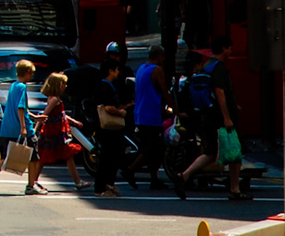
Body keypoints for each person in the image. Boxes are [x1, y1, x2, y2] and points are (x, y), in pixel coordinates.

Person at [178, 36, 246, 201]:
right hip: (220, 118)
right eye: (229, 48)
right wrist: (227, 117)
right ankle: (234, 189)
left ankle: (185, 175)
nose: (230, 51)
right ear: (223, 48)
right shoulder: (219, 67)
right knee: (235, 151)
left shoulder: (207, 65)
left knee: (210, 152)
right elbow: (219, 92)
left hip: (207, 115)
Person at [0, 59, 37, 194]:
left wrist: (34, 117)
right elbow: (21, 107)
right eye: (32, 74)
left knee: (7, 156)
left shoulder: (13, 85)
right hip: (21, 128)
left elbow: (20, 107)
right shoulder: (22, 87)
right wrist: (23, 127)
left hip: (8, 127)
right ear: (27, 72)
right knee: (34, 158)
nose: (32, 76)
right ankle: (31, 185)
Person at [29, 71, 83, 194]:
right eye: (64, 83)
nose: (66, 86)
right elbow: (45, 115)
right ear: (57, 85)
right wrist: (36, 129)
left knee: (66, 155)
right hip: (52, 132)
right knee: (44, 157)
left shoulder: (55, 99)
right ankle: (34, 180)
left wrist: (73, 122)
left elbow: (62, 114)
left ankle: (77, 181)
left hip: (57, 131)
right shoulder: (54, 100)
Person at [128, 45, 171, 190]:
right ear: (158, 56)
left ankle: (154, 179)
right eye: (162, 57)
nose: (163, 60)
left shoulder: (141, 68)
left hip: (140, 113)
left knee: (152, 147)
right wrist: (176, 111)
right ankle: (130, 170)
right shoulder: (157, 70)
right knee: (154, 147)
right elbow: (165, 92)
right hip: (151, 114)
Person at [92, 58, 128, 197]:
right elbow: (108, 107)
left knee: (110, 157)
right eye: (117, 70)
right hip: (109, 129)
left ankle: (108, 185)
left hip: (104, 128)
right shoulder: (106, 86)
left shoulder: (103, 85)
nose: (118, 73)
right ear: (111, 71)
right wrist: (121, 112)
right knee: (109, 158)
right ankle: (102, 187)